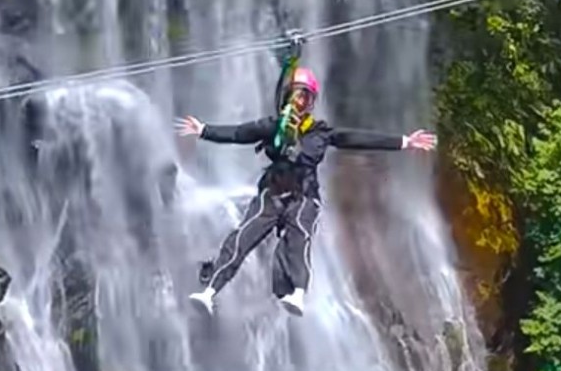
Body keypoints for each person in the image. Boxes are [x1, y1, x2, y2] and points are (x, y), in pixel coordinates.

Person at [178, 65, 437, 316]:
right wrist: (204, 130)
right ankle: (210, 292)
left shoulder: (320, 132)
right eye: (295, 95)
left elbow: (355, 138)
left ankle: (298, 293)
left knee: (299, 237)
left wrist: (404, 142)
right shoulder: (274, 126)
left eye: (305, 96)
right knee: (243, 236)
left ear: (312, 102)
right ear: (287, 97)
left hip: (304, 196)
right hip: (272, 192)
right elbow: (239, 132)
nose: (299, 101)